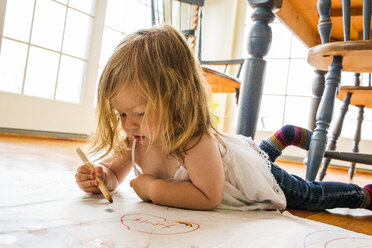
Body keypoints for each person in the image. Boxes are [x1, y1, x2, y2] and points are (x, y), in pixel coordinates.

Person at [75, 25, 372, 211]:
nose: (128, 125)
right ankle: (279, 139)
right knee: (254, 152)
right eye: (121, 113)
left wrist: (153, 188)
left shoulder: (193, 140)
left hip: (249, 178)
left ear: (176, 99)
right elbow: (115, 174)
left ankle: (361, 195)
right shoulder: (135, 136)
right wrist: (102, 176)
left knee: (309, 195)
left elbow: (209, 196)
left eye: (138, 113)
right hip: (233, 156)